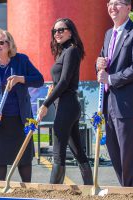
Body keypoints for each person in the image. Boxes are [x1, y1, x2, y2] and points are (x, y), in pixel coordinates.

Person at [0, 29, 44, 182]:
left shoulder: (21, 60)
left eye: (1, 42)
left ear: (9, 44)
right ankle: (1, 194)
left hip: (20, 119)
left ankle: (26, 192)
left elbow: (39, 80)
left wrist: (20, 79)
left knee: (24, 160)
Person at [96, 0, 133, 187]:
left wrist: (110, 79)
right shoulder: (109, 33)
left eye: (118, 3)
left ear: (129, 7)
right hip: (109, 104)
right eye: (110, 3)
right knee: (115, 153)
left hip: (127, 105)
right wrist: (99, 64)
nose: (112, 7)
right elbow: (104, 59)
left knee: (129, 156)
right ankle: (125, 191)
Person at [38, 18, 93, 185]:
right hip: (67, 106)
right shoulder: (64, 52)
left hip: (67, 105)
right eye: (54, 31)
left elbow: (63, 82)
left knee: (58, 153)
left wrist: (45, 104)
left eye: (61, 30)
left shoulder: (71, 51)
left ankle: (52, 193)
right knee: (78, 151)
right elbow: (59, 83)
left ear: (71, 31)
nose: (57, 33)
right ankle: (90, 190)